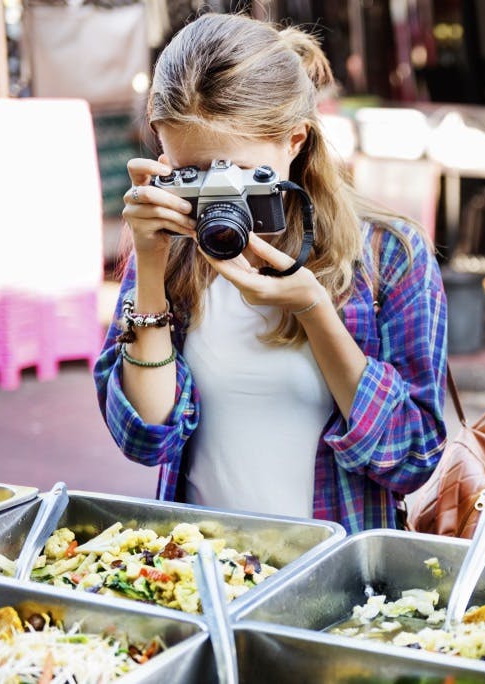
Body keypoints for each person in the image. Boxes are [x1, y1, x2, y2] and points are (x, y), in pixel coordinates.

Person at [94, 14, 448, 533]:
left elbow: (412, 459)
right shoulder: (171, 246)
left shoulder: (388, 255)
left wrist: (314, 313)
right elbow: (145, 439)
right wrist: (149, 266)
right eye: (191, 173)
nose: (217, 196)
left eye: (236, 172)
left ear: (294, 141)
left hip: (335, 585)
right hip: (201, 579)